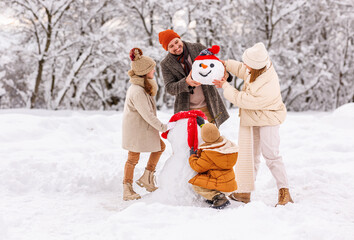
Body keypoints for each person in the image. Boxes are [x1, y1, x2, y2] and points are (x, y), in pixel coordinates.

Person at [213, 42, 294, 206]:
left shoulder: (267, 83)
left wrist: (225, 86)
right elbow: (244, 70)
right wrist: (226, 63)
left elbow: (243, 100)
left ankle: (284, 191)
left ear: (256, 66)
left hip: (268, 119)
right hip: (254, 118)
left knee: (271, 155)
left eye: (247, 63)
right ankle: (244, 191)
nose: (244, 65)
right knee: (251, 155)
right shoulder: (258, 68)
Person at [122, 48, 175, 201]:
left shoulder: (143, 87)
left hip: (142, 128)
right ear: (144, 72)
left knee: (160, 147)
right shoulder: (137, 91)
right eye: (151, 69)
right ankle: (127, 188)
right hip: (135, 130)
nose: (154, 71)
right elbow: (147, 114)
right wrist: (163, 127)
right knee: (132, 157)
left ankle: (147, 178)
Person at [158, 29, 231, 127]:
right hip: (187, 110)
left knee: (212, 139)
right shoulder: (166, 64)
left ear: (179, 38)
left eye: (176, 42)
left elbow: (216, 64)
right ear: (167, 49)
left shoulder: (198, 48)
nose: (176, 47)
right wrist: (186, 82)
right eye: (171, 46)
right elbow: (169, 88)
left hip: (209, 105)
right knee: (193, 141)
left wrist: (226, 75)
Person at [188, 122, 239, 209]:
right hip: (230, 183)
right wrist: (202, 124)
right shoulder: (227, 146)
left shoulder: (209, 153)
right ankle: (216, 196)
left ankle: (218, 197)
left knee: (196, 184)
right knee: (210, 178)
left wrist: (192, 156)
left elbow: (197, 167)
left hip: (220, 184)